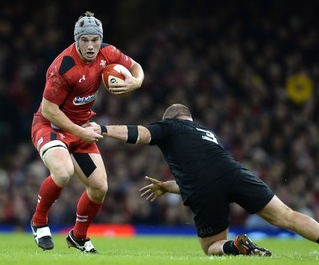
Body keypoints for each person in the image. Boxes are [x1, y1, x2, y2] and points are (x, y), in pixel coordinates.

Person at [88, 103, 319, 256]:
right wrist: (169, 187)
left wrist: (103, 129)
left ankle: (237, 246)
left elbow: (142, 135)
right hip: (234, 173)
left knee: (211, 247)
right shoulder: (208, 134)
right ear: (189, 117)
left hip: (204, 189)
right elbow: (209, 171)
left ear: (170, 119)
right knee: (287, 216)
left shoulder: (169, 125)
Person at [30, 11, 144, 253]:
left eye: (95, 40)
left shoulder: (108, 52)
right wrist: (79, 132)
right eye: (85, 41)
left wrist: (136, 81)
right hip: (50, 126)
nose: (91, 46)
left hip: (81, 127)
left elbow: (135, 67)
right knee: (63, 172)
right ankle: (39, 222)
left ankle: (78, 237)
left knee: (100, 187)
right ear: (76, 40)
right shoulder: (63, 66)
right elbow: (49, 110)